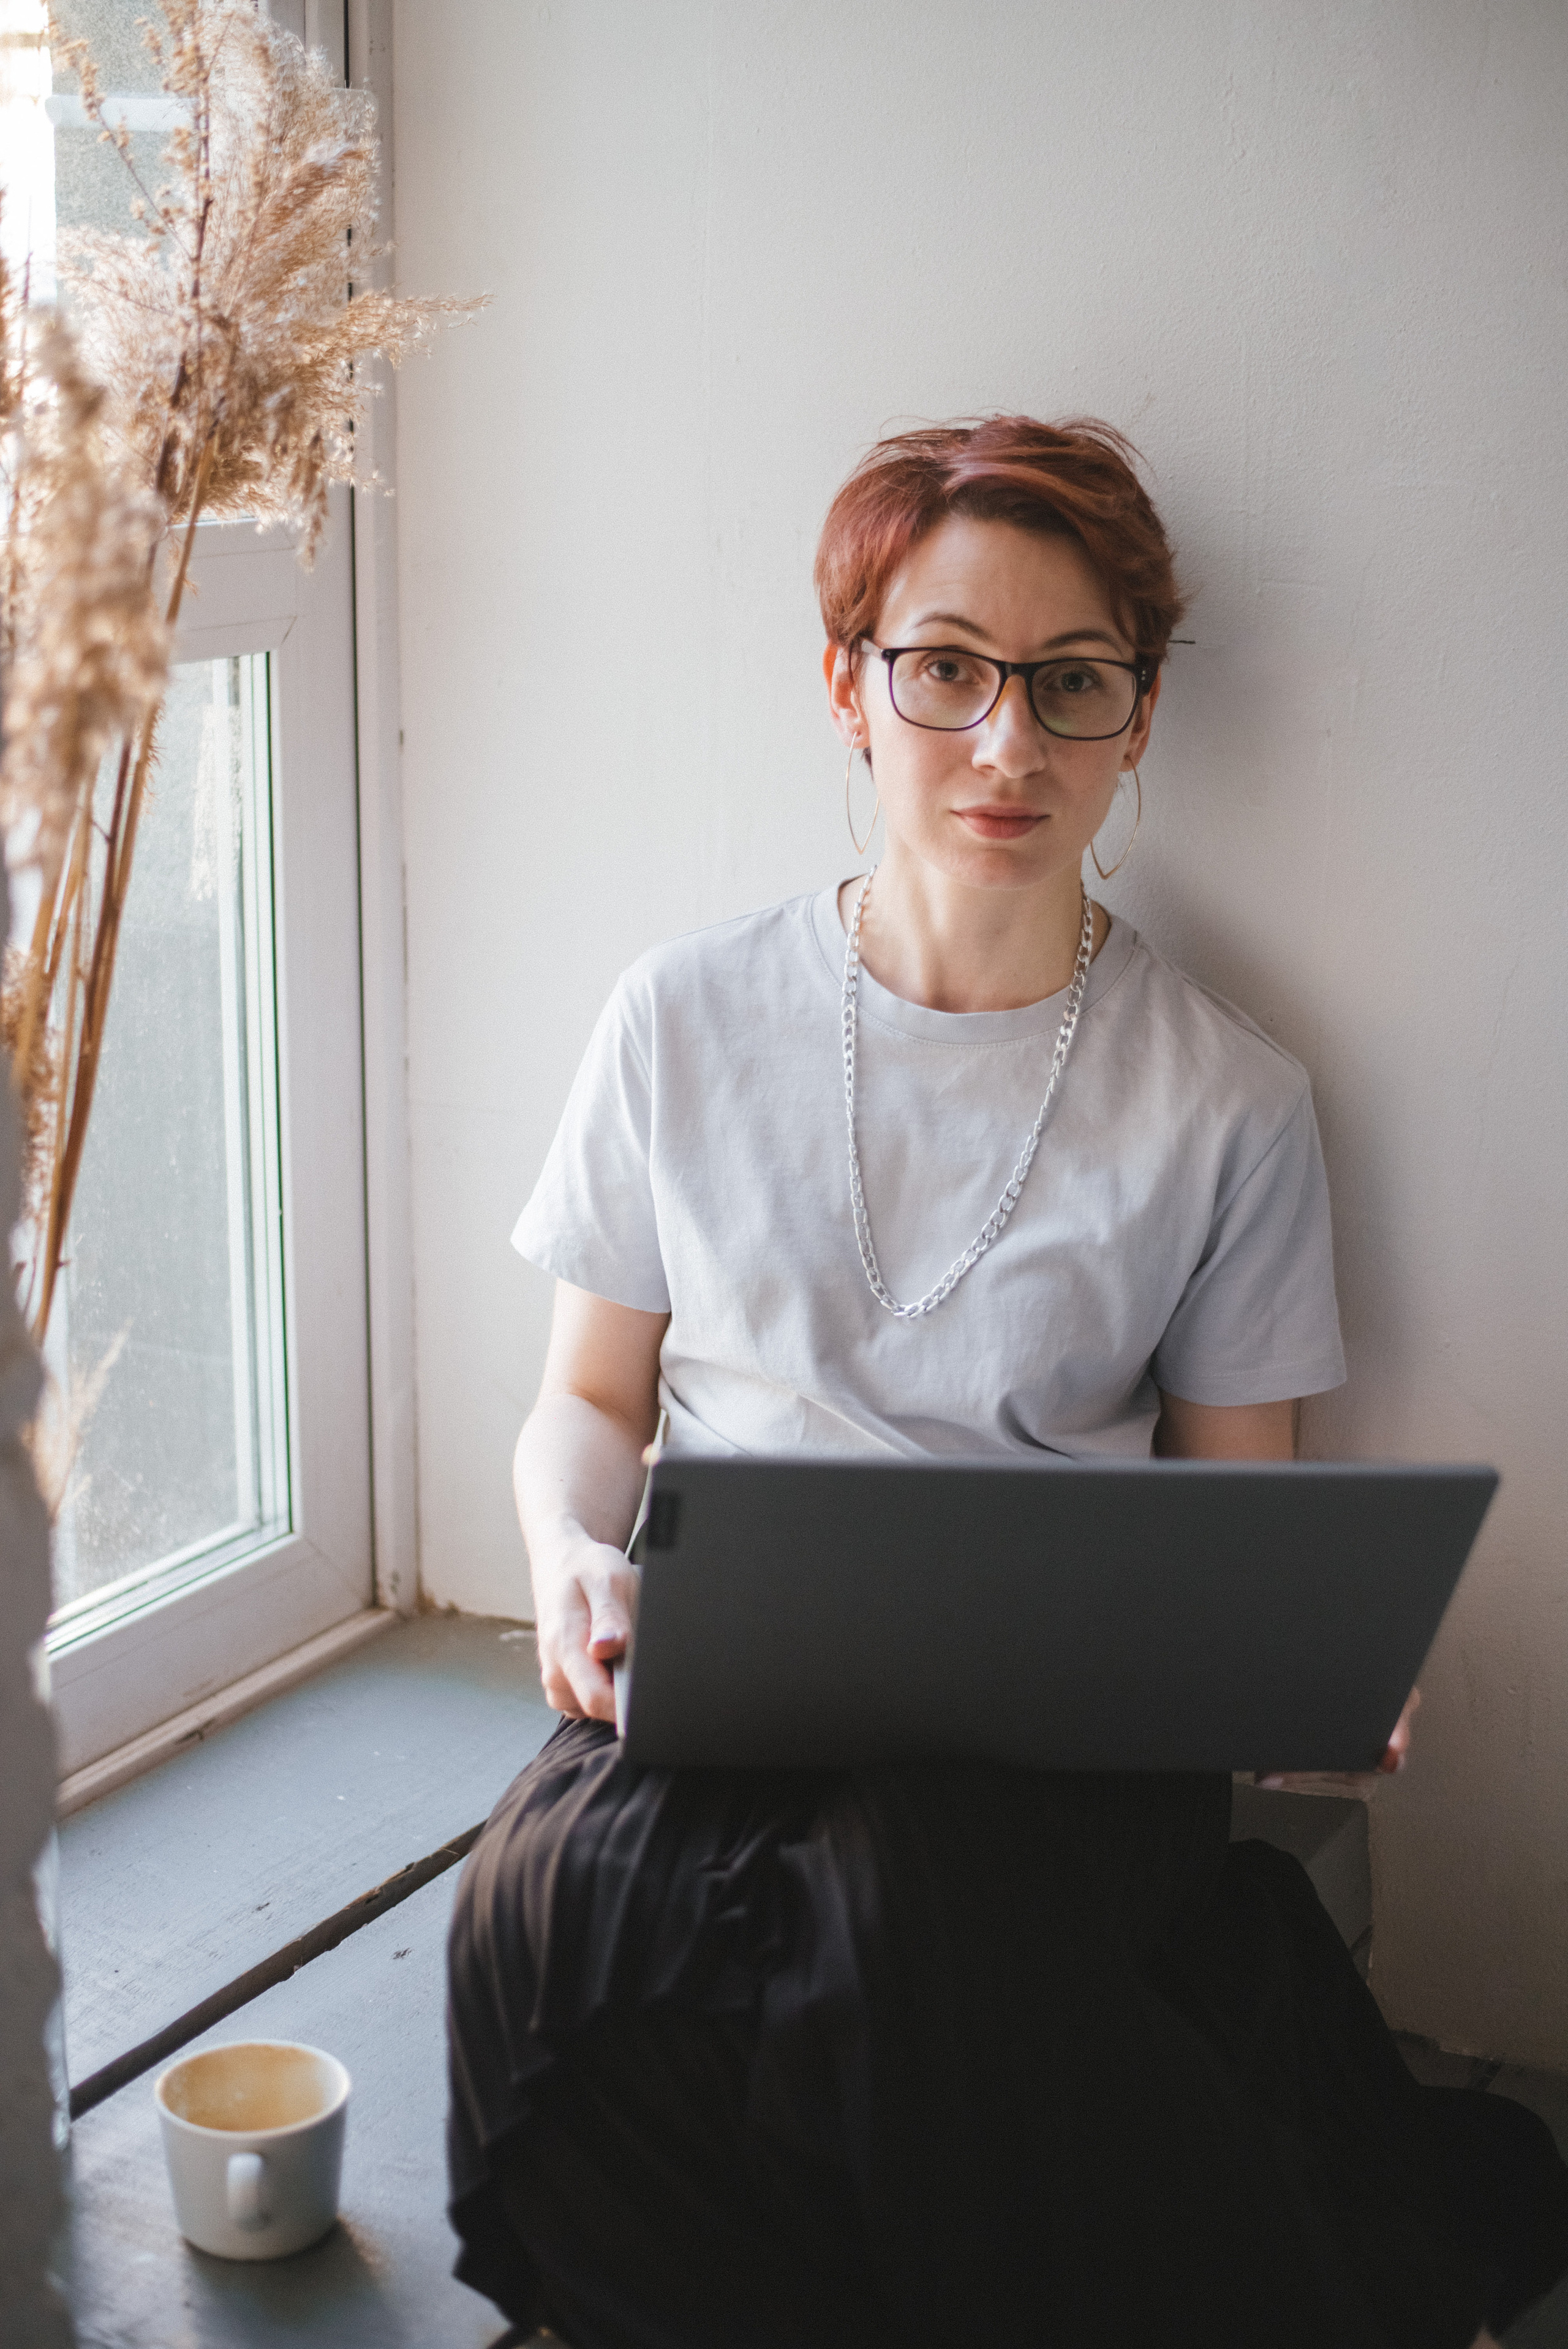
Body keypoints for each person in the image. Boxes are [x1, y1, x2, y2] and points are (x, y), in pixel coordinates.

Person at [446, 417, 1568, 2348]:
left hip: (1048, 1763)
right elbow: (588, 1400)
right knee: (532, 1923)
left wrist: (1302, 1674)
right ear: (848, 685)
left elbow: (1240, 1507)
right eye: (947, 667)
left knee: (884, 1931)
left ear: (1139, 720)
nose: (1007, 743)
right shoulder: (682, 1017)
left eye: (1073, 683)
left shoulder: (1227, 1101)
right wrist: (567, 1553)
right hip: (717, 1688)